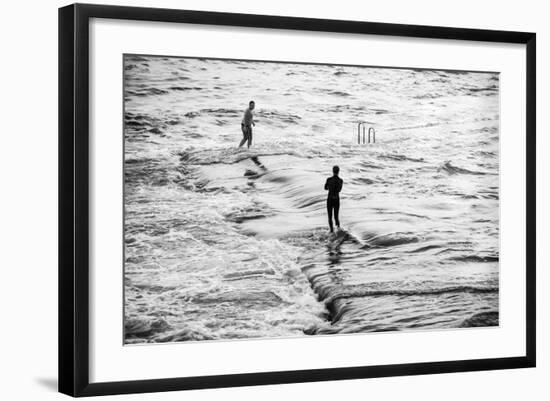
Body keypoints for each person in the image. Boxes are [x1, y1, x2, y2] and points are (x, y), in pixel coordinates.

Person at [324, 165, 343, 233]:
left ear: (332, 171)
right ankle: (338, 230)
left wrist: (330, 188)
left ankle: (331, 231)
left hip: (330, 199)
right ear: (338, 171)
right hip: (336, 199)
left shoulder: (329, 179)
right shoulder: (340, 180)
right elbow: (339, 190)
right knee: (336, 217)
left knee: (330, 217)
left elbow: (325, 188)